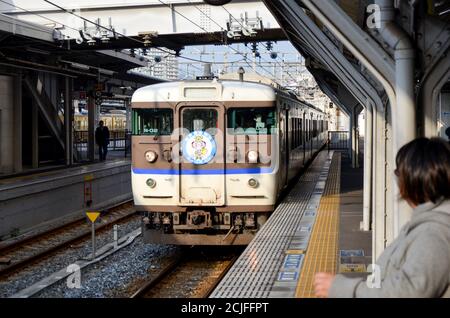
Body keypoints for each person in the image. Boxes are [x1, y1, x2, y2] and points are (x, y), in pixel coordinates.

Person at [314, 137, 450, 298]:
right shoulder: (429, 224)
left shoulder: (434, 233)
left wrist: (343, 289)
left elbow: (409, 291)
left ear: (415, 179)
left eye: (399, 173)